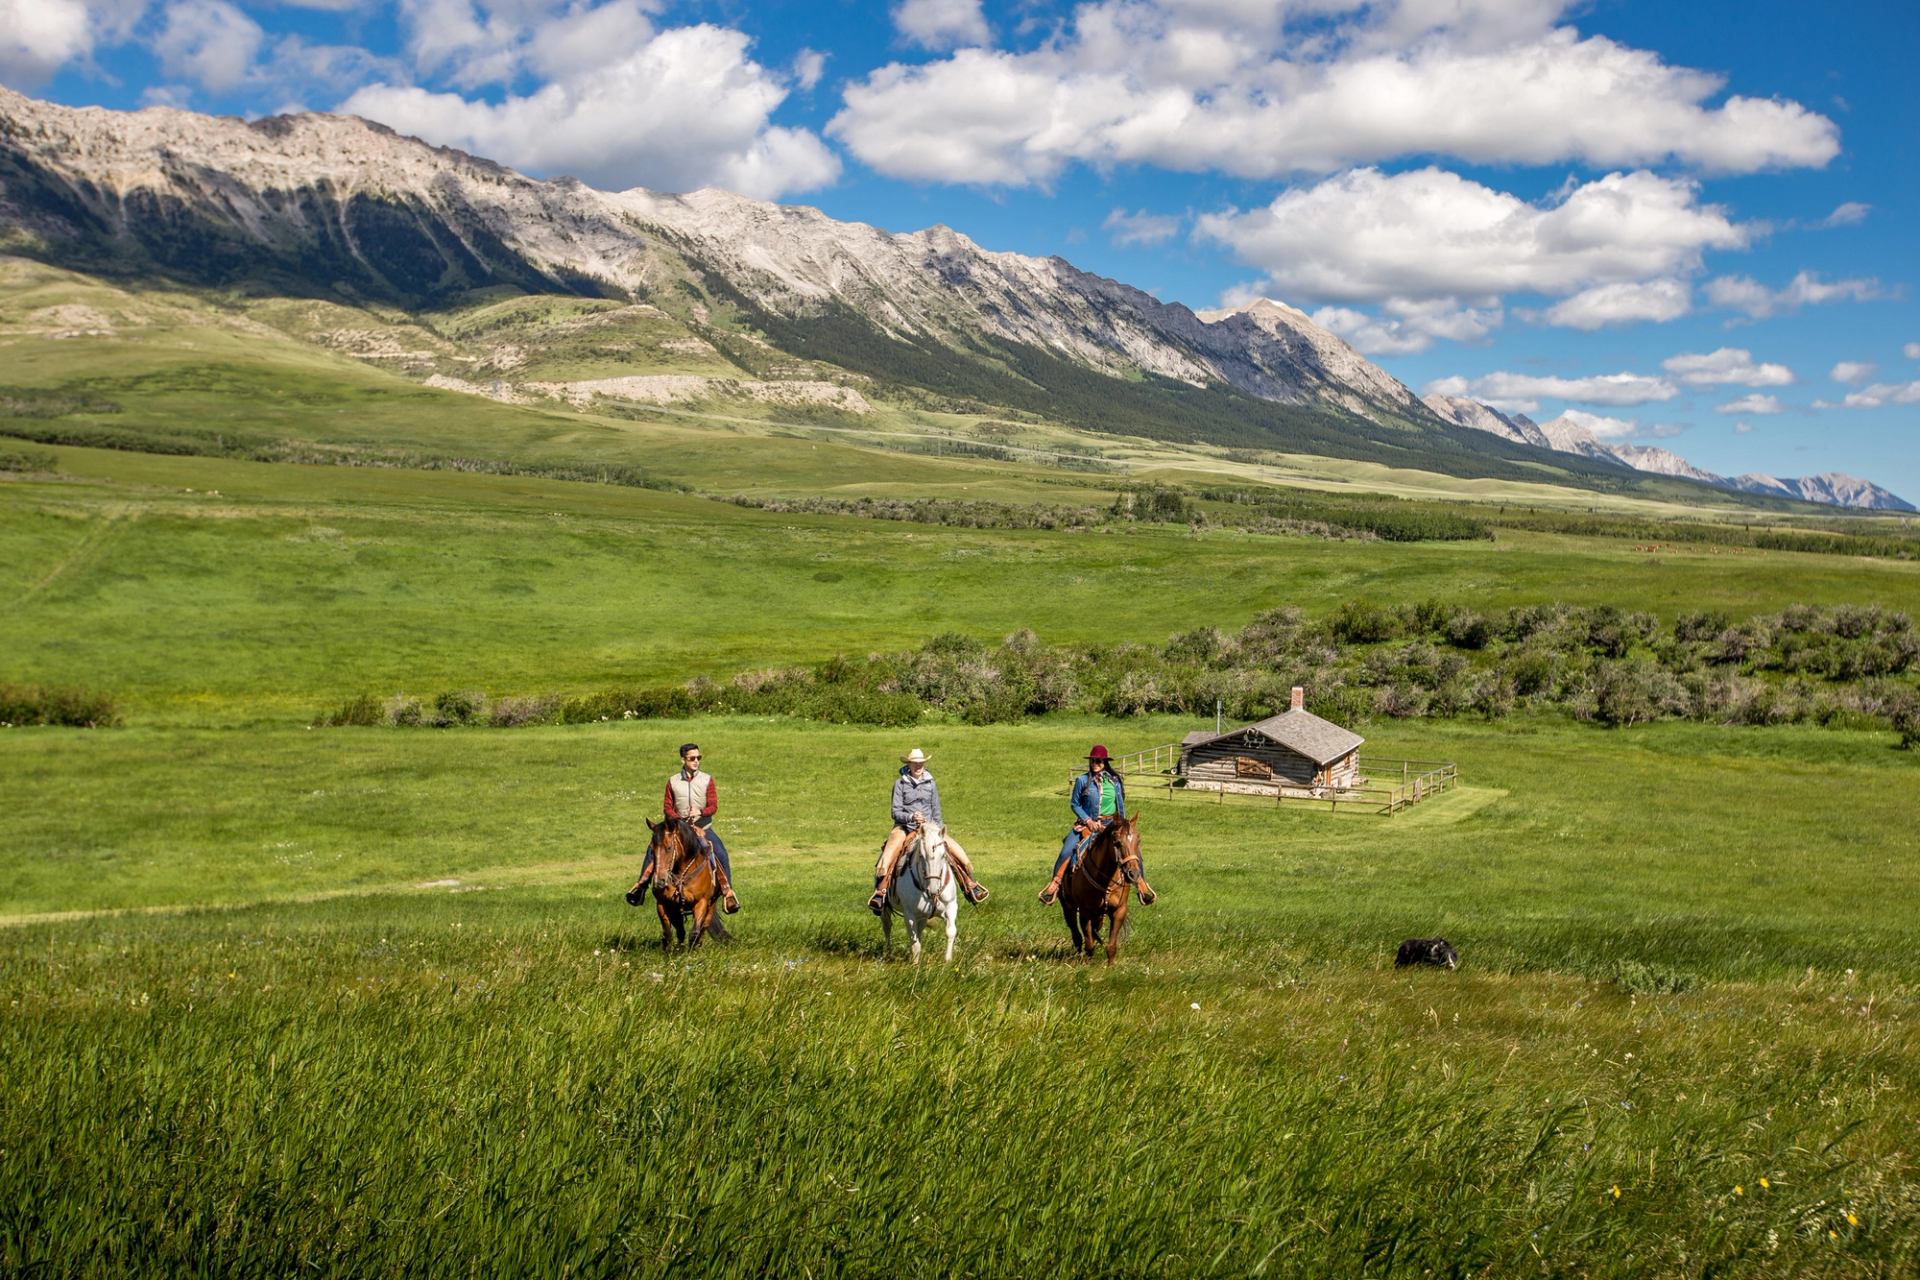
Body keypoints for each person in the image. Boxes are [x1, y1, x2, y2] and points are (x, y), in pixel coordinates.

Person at [868, 747, 990, 914]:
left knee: (954, 850)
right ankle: (881, 892)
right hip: (905, 827)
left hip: (930, 827)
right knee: (891, 850)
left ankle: (970, 884)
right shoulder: (900, 784)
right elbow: (895, 812)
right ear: (909, 764)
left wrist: (937, 829)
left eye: (921, 763)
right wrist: (911, 817)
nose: (918, 766)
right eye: (915, 763)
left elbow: (936, 810)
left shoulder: (931, 783)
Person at [640, 742, 739, 913]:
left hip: (703, 827)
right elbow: (667, 807)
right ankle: (640, 886)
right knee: (653, 849)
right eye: (692, 758)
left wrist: (700, 811)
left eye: (698, 758)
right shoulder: (673, 781)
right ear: (683, 760)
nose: (696, 761)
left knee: (721, 852)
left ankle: (727, 892)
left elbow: (713, 806)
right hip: (679, 828)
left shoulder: (707, 779)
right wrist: (679, 818)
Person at [1038, 744, 1128, 905]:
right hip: (1087, 824)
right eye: (1093, 760)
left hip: (1111, 825)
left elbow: (1120, 804)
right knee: (1066, 850)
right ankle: (1055, 885)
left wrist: (1122, 825)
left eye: (1099, 761)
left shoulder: (1114, 781)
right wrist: (1088, 821)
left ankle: (1142, 885)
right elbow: (1075, 804)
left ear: (1105, 762)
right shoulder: (1082, 780)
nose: (1095, 764)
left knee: (1132, 851)